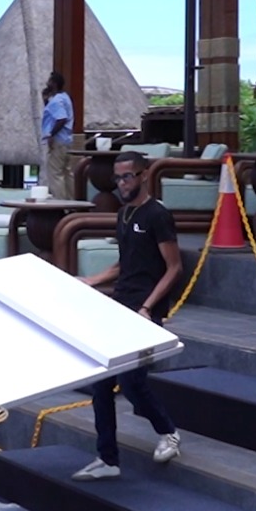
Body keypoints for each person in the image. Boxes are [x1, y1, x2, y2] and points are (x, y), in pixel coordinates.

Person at [73, 151, 182, 479]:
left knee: (132, 381)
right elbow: (125, 264)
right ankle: (107, 459)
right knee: (102, 384)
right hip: (119, 306)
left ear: (143, 175)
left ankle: (168, 432)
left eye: (127, 177)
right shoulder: (123, 215)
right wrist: (91, 280)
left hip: (144, 311)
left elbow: (174, 267)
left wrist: (149, 307)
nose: (122, 183)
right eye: (117, 178)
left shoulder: (157, 215)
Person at [41, 71, 75, 199]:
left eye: (49, 81)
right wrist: (46, 101)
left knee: (55, 174)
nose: (47, 84)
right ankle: (71, 203)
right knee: (67, 173)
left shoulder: (56, 101)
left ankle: (60, 203)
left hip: (58, 141)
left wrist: (50, 134)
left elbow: (61, 118)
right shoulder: (65, 97)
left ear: (54, 83)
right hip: (67, 141)